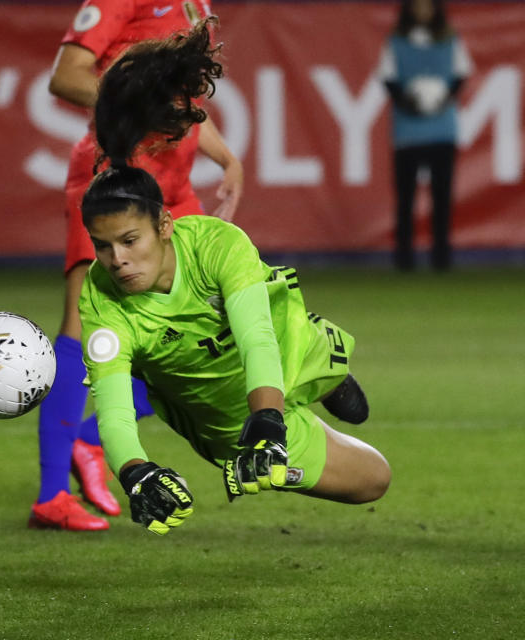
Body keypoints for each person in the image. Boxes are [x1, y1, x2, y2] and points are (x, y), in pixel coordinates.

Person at [78, 22, 391, 536]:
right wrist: (134, 472)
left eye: (130, 242)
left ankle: (324, 372)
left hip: (283, 350)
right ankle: (276, 455)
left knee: (327, 377)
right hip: (221, 412)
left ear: (164, 225)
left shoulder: (217, 244)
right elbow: (112, 406)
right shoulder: (102, 299)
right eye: (103, 247)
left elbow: (255, 336)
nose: (117, 260)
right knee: (374, 479)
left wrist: (266, 417)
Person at [30, 0, 244, 532]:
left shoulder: (196, 3)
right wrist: (134, 109)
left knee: (213, 330)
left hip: (175, 187)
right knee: (84, 328)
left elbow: (179, 97)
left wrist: (224, 155)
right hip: (118, 176)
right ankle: (52, 493)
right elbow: (67, 76)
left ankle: (91, 439)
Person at [378, 0, 473, 271]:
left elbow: (460, 75)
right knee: (405, 198)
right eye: (417, 6)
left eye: (427, 6)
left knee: (442, 195)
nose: (422, 11)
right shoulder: (396, 41)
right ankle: (404, 259)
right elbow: (388, 79)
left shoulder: (451, 40)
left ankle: (441, 258)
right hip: (407, 132)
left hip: (442, 131)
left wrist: (441, 101)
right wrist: (409, 103)